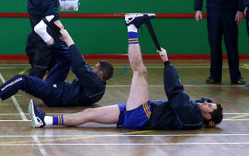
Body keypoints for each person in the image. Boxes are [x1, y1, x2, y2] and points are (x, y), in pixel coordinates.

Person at [29, 13, 223, 130]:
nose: (206, 102)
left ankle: (131, 26)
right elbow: (185, 98)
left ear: (208, 119)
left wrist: (167, 63)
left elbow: (175, 92)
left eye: (209, 107)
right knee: (88, 113)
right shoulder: (195, 111)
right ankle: (44, 120)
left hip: (143, 116)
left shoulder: (192, 118)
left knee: (140, 72)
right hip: (135, 116)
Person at [0, 28, 113, 108]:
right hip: (60, 87)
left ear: (100, 74)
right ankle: (46, 36)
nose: (91, 68)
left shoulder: (95, 84)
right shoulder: (96, 84)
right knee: (68, 58)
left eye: (95, 68)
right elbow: (79, 66)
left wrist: (69, 39)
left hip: (56, 95)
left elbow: (80, 67)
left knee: (22, 79)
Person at [194, 0, 246, 85]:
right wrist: (198, 9)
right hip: (214, 13)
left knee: (232, 45)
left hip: (231, 13)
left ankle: (236, 76)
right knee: (215, 44)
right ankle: (214, 76)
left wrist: (240, 10)